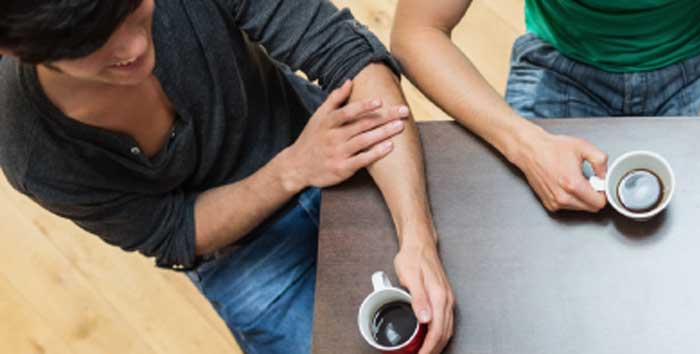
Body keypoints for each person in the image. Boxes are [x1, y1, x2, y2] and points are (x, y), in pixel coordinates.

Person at [0, 0, 454, 353]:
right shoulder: (29, 149)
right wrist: (292, 169)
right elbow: (173, 230)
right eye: (91, 45)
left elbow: (346, 54)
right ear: (15, 50)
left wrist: (417, 236)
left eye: (130, 8)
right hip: (237, 253)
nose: (133, 48)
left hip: (326, 138)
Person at [392, 0, 700, 213]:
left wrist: (698, 145)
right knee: (526, 241)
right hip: (563, 63)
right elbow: (417, 32)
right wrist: (526, 145)